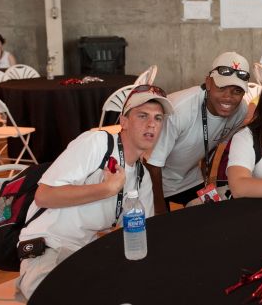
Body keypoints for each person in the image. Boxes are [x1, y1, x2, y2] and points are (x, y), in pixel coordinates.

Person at [16, 84, 173, 299]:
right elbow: (44, 196)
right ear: (124, 121)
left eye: (158, 118)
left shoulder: (141, 177)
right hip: (50, 247)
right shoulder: (97, 144)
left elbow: (139, 234)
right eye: (142, 115)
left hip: (88, 253)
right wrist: (106, 188)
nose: (151, 125)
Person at [147, 52, 249, 213]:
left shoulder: (240, 110)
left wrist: (208, 183)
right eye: (222, 88)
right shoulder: (179, 110)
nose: (228, 98)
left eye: (237, 91)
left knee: (206, 223)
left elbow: (215, 146)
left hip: (189, 177)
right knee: (162, 231)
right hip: (154, 179)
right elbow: (152, 163)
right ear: (208, 82)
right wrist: (160, 212)